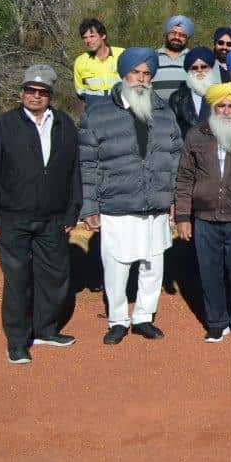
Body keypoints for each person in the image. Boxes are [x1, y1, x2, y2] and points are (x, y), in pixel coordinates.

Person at [0, 65, 82, 363]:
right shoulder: (3, 125)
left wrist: (72, 211)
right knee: (18, 280)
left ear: (50, 96)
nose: (36, 96)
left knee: (54, 277)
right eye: (30, 91)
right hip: (13, 217)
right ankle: (18, 342)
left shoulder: (64, 125)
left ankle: (45, 329)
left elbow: (74, 171)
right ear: (22, 92)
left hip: (53, 217)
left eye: (42, 92)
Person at [78, 47, 183, 344]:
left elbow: (175, 157)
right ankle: (118, 319)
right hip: (116, 203)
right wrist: (89, 206)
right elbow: (87, 162)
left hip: (156, 203)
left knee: (153, 264)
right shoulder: (98, 113)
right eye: (135, 72)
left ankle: (144, 317)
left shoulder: (163, 112)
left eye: (147, 73)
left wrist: (175, 198)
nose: (141, 78)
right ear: (123, 74)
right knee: (116, 266)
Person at [173, 82, 231, 342]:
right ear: (213, 108)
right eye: (221, 106)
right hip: (204, 217)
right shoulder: (196, 134)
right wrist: (182, 216)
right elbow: (184, 178)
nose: (226, 111)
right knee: (209, 270)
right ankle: (216, 322)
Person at [168, 46, 219, 139]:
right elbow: (171, 131)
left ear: (211, 68)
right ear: (189, 71)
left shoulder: (222, 95)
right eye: (195, 68)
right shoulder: (177, 98)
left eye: (204, 67)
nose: (199, 70)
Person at [73, 18, 124, 105]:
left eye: (92, 36)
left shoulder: (122, 54)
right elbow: (80, 92)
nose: (88, 41)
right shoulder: (80, 62)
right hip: (96, 110)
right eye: (85, 38)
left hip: (123, 107)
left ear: (103, 36)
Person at [153, 14, 193, 100]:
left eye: (182, 35)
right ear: (167, 34)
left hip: (184, 112)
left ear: (187, 38)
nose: (177, 37)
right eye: (173, 33)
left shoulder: (193, 59)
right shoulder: (152, 56)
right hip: (157, 112)